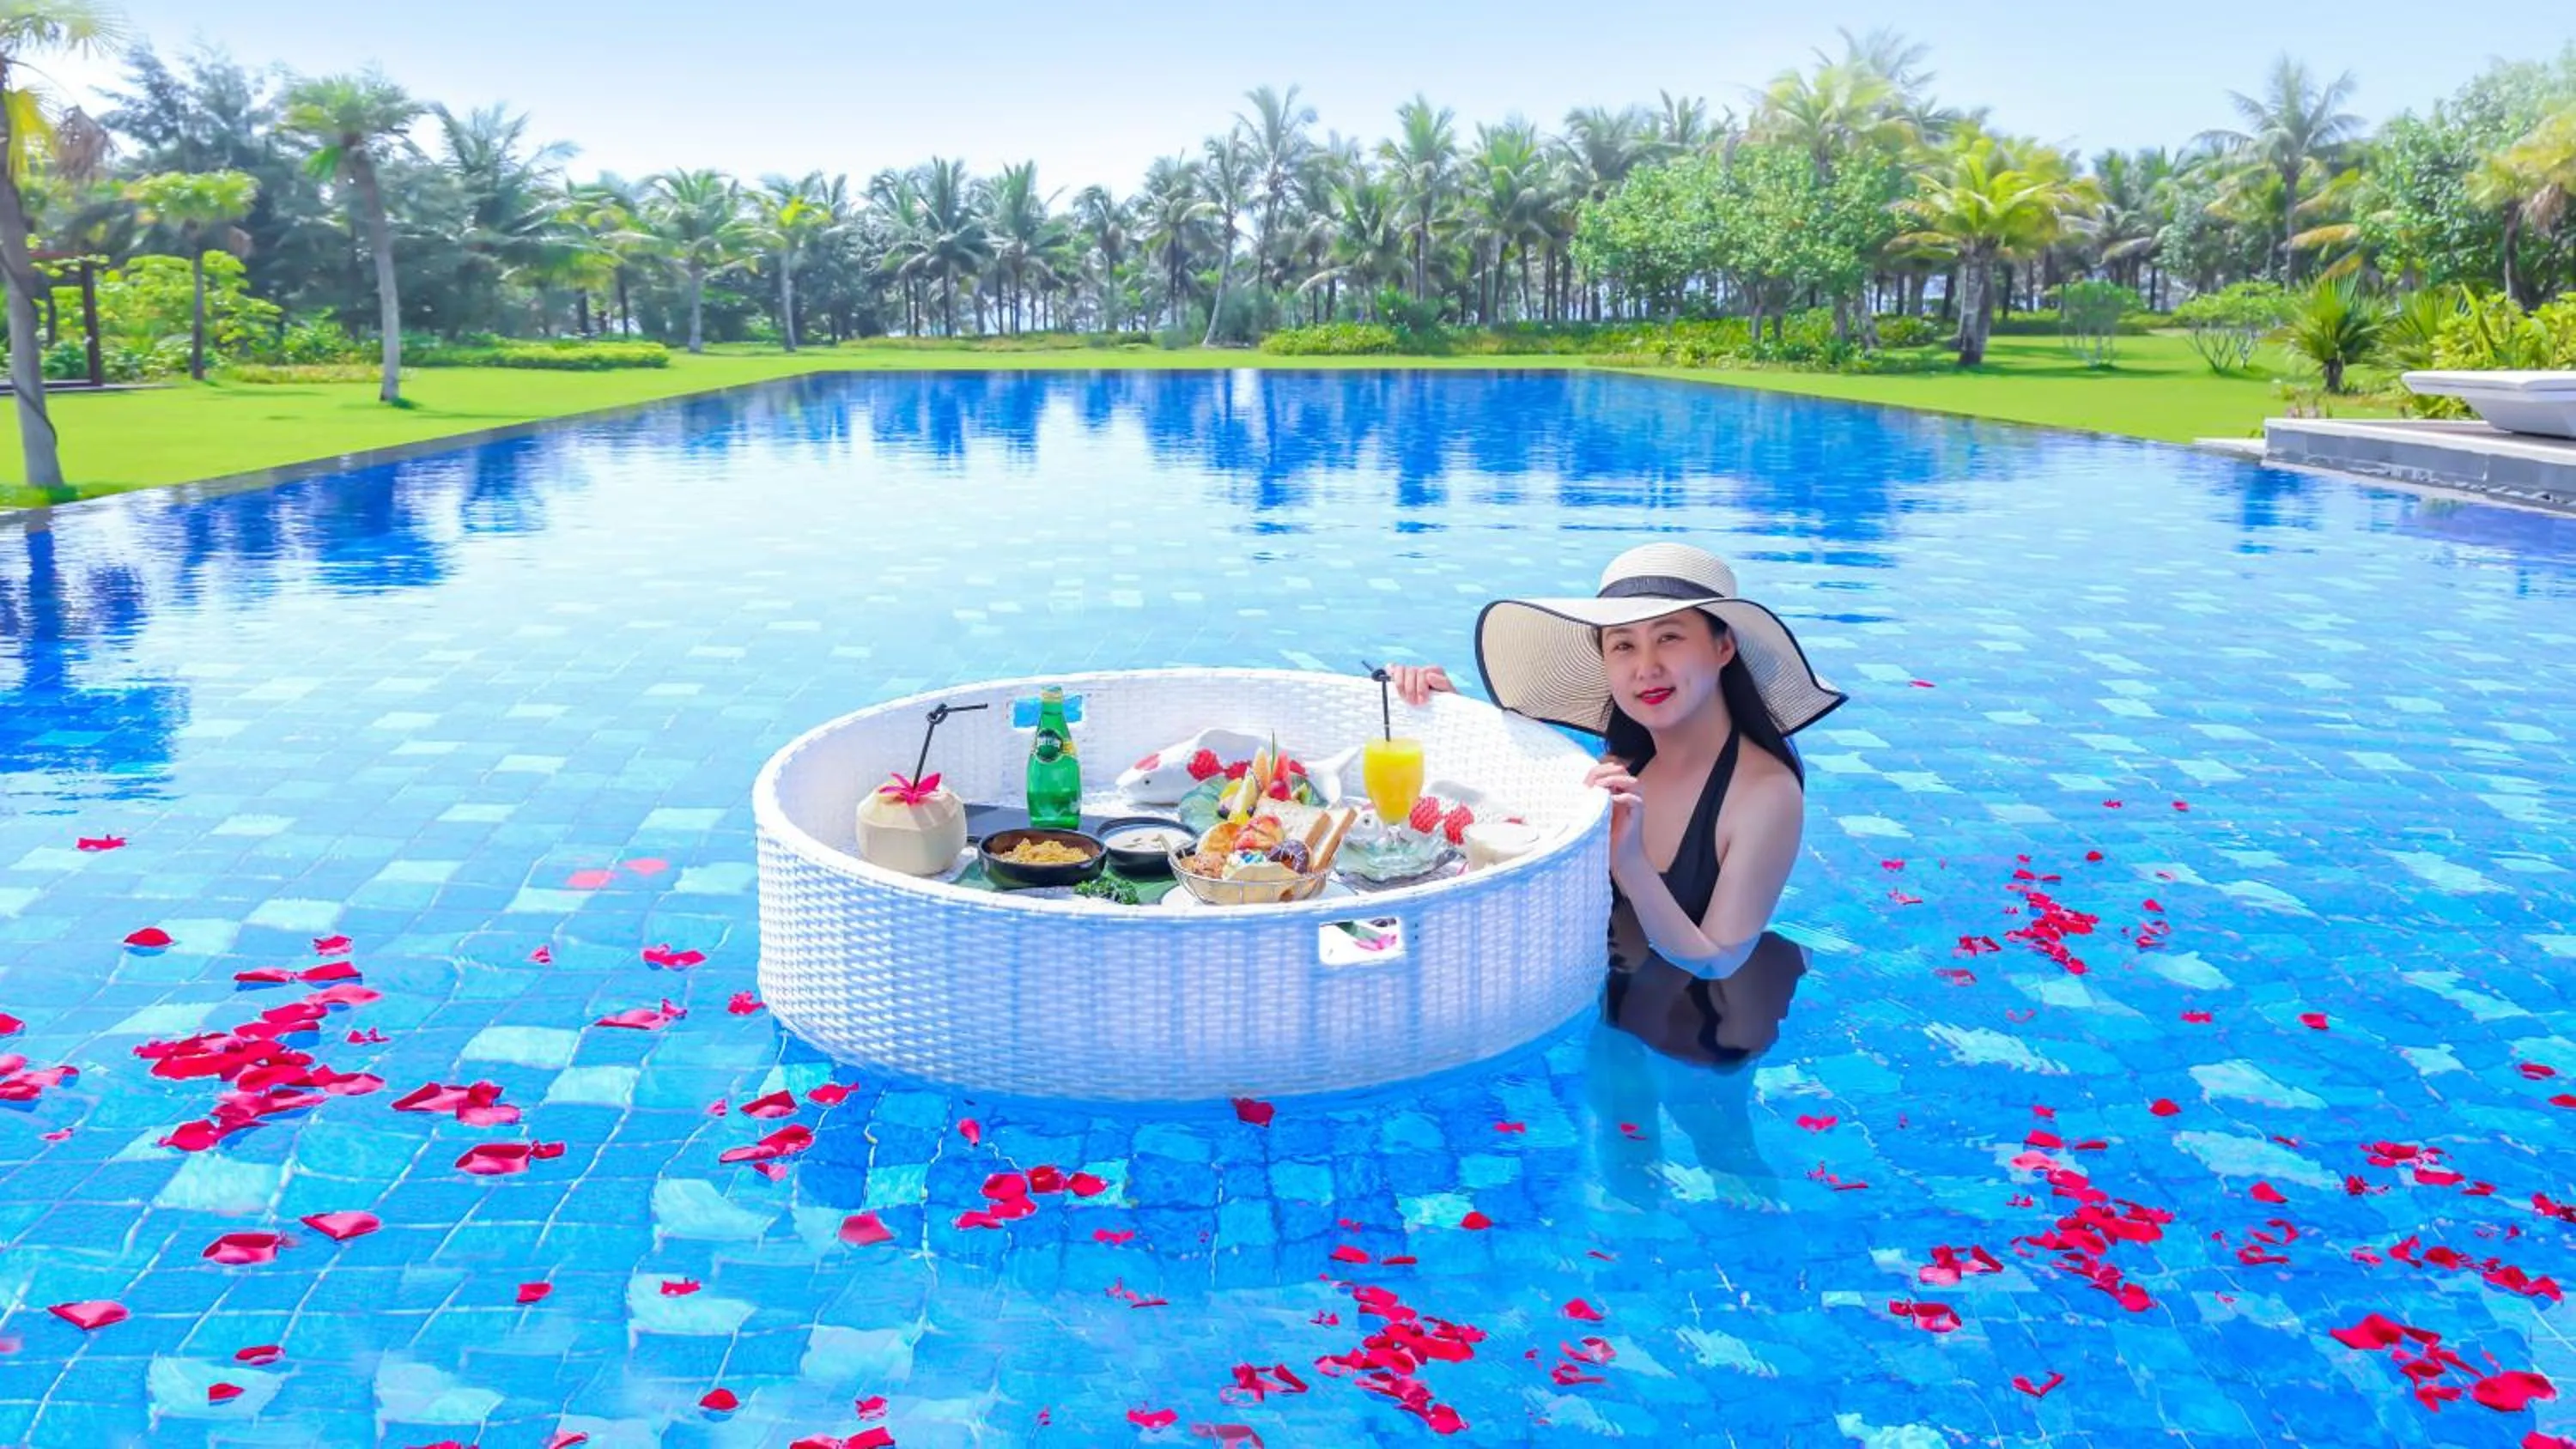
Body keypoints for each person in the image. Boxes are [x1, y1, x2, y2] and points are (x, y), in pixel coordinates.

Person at [1385, 543, 1845, 1053]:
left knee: (1716, 1132)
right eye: (1623, 645)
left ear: (1723, 647)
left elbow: (1717, 959)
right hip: (1617, 994)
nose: (1645, 667)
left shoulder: (1764, 794)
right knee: (1615, 1119)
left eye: (1669, 637)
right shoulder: (1623, 759)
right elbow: (1521, 788)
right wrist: (1445, 713)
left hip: (1718, 1022)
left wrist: (1629, 861)